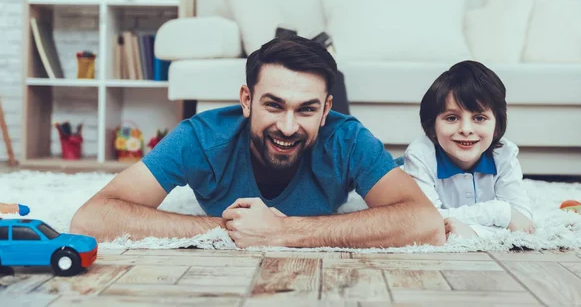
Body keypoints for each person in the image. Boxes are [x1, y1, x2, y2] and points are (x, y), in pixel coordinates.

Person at [70, 36, 444, 248]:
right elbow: (91, 219)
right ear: (246, 100)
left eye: (307, 109)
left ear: (326, 109)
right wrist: (226, 229)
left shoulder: (347, 138)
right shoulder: (200, 138)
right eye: (273, 105)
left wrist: (284, 231)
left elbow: (425, 222)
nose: (286, 125)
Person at [400, 60, 534, 239]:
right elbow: (426, 221)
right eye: (452, 118)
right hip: (401, 173)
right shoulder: (420, 156)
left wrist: (474, 233)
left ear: (497, 126)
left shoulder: (504, 153)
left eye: (479, 118)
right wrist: (499, 212)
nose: (466, 129)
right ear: (432, 125)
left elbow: (523, 221)